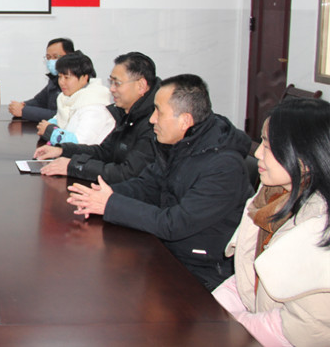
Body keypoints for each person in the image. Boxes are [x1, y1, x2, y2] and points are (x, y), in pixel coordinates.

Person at [66, 74, 253, 290]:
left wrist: (110, 204)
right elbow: (147, 185)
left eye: (158, 112)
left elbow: (174, 224)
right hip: (168, 252)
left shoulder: (224, 167)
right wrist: (99, 196)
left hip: (202, 273)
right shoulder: (182, 142)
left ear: (185, 120)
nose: (152, 119)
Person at [212, 99, 330, 346]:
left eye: (267, 145)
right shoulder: (271, 198)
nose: (257, 153)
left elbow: (302, 328)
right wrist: (207, 311)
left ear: (305, 157)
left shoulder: (320, 231)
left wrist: (227, 326)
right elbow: (247, 278)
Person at [34, 52, 160, 184]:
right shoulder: (127, 113)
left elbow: (127, 173)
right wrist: (62, 150)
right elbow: (105, 151)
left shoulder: (153, 122)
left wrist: (74, 166)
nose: (111, 89)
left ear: (141, 86)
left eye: (117, 83)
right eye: (111, 82)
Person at [36, 51, 115, 146]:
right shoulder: (69, 98)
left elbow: (80, 143)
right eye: (60, 77)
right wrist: (49, 127)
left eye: (66, 77)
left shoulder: (94, 107)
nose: (61, 82)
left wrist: (50, 131)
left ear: (84, 78)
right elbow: (57, 119)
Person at [8, 37, 75, 122]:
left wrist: (24, 111)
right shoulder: (54, 78)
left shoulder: (76, 80)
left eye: (55, 57)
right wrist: (23, 105)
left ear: (70, 56)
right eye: (48, 57)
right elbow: (39, 101)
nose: (51, 61)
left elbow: (62, 115)